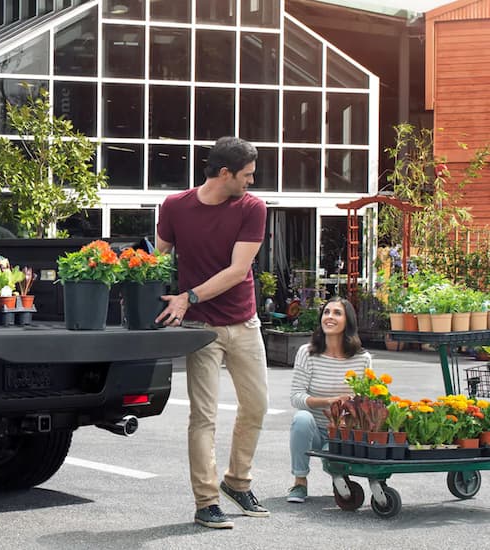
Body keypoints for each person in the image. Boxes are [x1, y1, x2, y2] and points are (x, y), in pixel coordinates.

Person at [154, 136, 268, 530]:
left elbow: (239, 271)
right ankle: (206, 502)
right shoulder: (174, 207)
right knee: (203, 417)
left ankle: (237, 480)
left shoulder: (252, 208)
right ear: (225, 173)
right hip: (199, 330)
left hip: (244, 323)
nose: (251, 182)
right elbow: (158, 256)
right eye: (247, 175)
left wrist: (189, 295)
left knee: (256, 407)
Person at [287, 297, 370, 503]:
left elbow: (366, 400)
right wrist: (330, 401)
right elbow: (296, 397)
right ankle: (299, 482)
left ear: (347, 321)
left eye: (337, 313)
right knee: (302, 419)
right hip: (315, 428)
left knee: (334, 458)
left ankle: (339, 476)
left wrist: (351, 412)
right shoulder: (307, 353)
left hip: (342, 431)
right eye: (326, 312)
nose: (329, 317)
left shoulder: (362, 359)